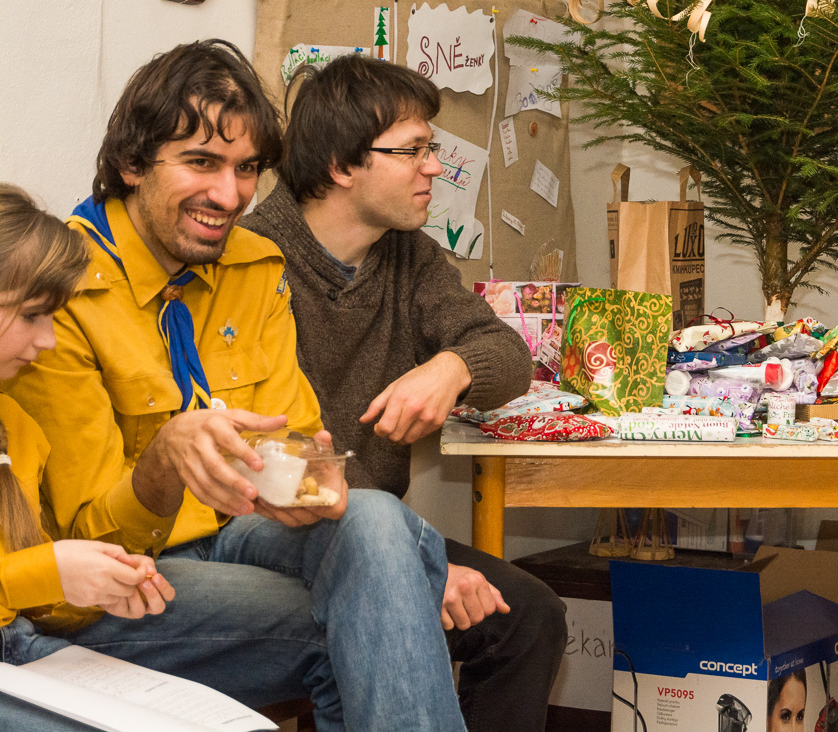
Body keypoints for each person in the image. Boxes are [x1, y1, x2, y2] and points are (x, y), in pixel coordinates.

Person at [7, 40, 467, 732]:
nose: (230, 196)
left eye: (246, 168)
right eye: (201, 162)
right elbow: (86, 539)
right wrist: (163, 465)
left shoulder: (255, 264)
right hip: (134, 567)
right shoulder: (63, 288)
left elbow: (295, 440)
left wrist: (310, 479)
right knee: (375, 610)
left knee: (374, 521)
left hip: (242, 533)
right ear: (132, 163)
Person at [242, 54, 567, 732]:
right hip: (275, 534)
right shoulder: (251, 258)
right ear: (341, 165)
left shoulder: (407, 253)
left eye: (433, 148)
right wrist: (417, 569)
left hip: (381, 532)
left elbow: (508, 354)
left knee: (530, 615)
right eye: (413, 150)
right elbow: (269, 463)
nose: (435, 167)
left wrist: (452, 366)